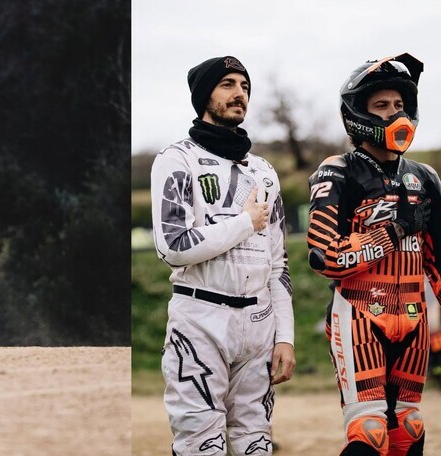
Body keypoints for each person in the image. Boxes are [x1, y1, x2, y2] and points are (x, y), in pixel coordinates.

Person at [307, 53, 441, 455]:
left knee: (409, 427)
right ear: (357, 114)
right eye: (381, 106)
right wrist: (394, 230)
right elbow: (323, 257)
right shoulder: (338, 171)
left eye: (399, 106)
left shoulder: (426, 178)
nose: (394, 114)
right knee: (369, 431)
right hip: (358, 314)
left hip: (415, 318)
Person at [151, 55, 295, 455]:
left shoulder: (265, 171)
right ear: (204, 97)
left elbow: (279, 265)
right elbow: (173, 247)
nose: (239, 94)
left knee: (256, 444)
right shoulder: (175, 159)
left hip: (259, 325)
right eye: (228, 85)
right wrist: (244, 223)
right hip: (200, 321)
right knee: (203, 444)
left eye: (245, 87)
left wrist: (285, 336)